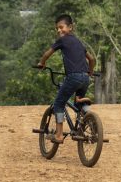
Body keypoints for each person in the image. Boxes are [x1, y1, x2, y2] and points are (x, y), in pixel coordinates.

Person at [36, 13, 95, 143]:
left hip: (73, 77)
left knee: (58, 103)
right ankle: (92, 124)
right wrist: (90, 72)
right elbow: (91, 59)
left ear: (70, 27)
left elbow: (47, 53)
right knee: (79, 102)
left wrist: (42, 63)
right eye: (57, 28)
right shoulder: (78, 42)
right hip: (85, 78)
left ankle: (58, 135)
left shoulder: (62, 40)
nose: (59, 30)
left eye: (61, 27)